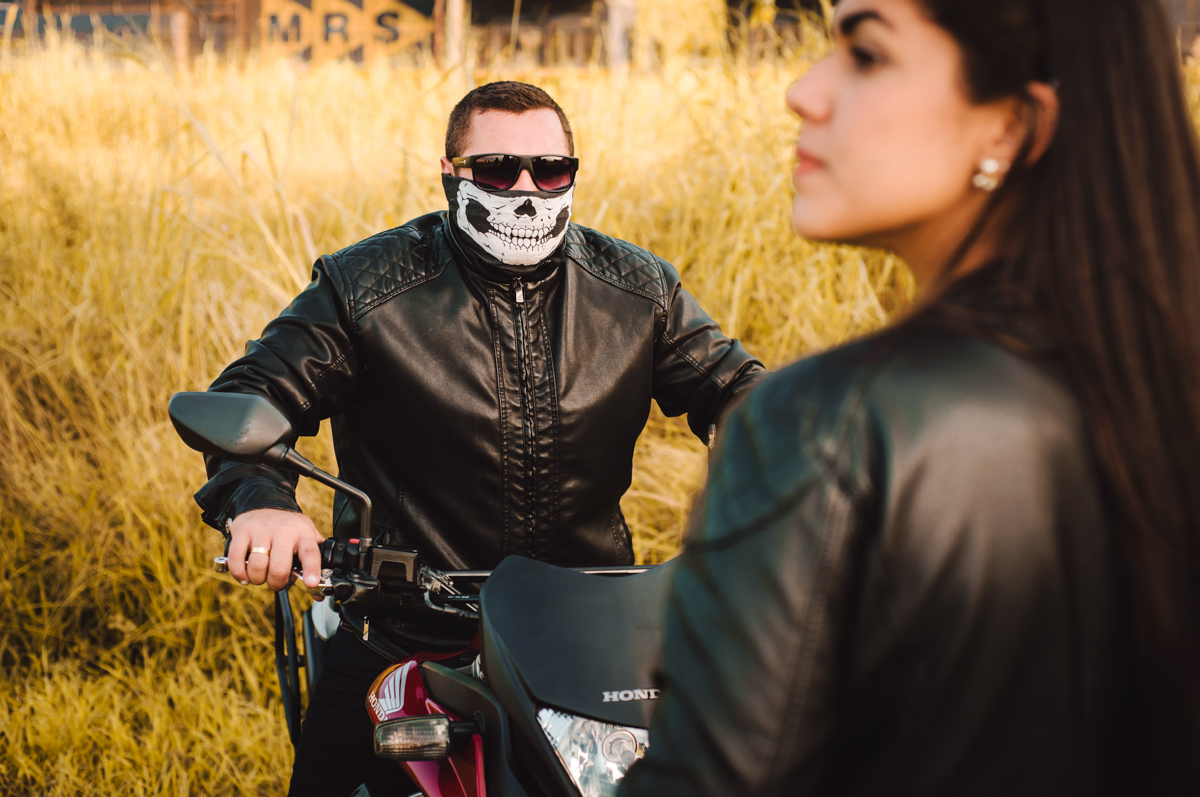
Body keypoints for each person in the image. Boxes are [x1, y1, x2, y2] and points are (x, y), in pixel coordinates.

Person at [620, 0, 1200, 795]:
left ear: (1011, 125)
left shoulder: (823, 425)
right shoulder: (1159, 388)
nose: (803, 91)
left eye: (865, 53)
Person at [190, 80, 765, 796]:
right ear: (450, 174)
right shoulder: (366, 287)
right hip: (402, 624)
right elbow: (251, 393)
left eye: (550, 170)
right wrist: (260, 497)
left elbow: (742, 393)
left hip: (586, 633)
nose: (527, 188)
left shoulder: (638, 290)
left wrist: (781, 485)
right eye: (497, 169)